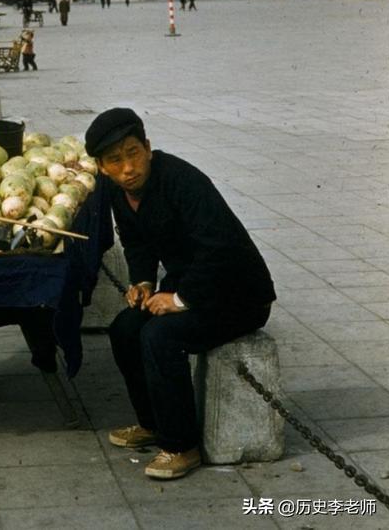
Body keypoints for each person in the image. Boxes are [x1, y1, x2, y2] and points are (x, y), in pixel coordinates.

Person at [84, 108, 276, 481]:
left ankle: (182, 446)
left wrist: (178, 299)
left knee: (160, 336)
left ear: (149, 148)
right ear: (102, 167)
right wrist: (141, 283)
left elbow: (220, 249)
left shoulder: (182, 181)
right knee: (125, 329)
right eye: (115, 160)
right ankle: (152, 424)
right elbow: (135, 241)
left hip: (238, 295)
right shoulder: (116, 190)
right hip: (190, 285)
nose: (128, 168)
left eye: (133, 153)